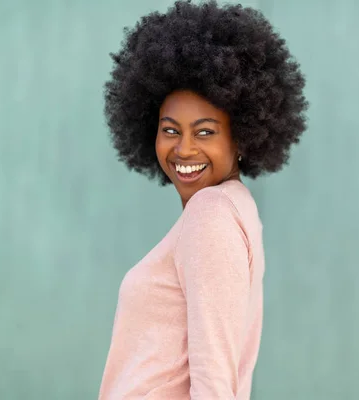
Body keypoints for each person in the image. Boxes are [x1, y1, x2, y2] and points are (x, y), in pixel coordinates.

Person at [98, 1, 307, 398]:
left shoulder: (210, 215)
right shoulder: (237, 208)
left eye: (206, 132)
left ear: (242, 136)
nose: (184, 149)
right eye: (170, 130)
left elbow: (214, 386)